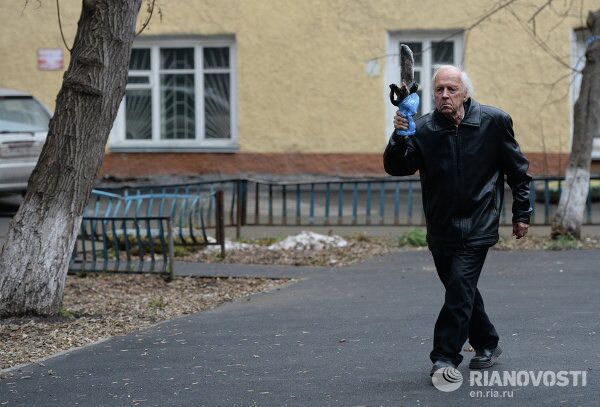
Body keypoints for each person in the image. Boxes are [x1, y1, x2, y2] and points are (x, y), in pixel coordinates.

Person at [383, 65, 532, 378]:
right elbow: (398, 168)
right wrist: (399, 136)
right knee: (461, 291)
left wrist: (522, 213)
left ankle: (445, 357)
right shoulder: (422, 128)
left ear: (465, 92)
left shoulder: (493, 122)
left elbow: (518, 172)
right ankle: (488, 342)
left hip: (480, 222)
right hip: (441, 226)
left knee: (459, 289)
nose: (445, 95)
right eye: (439, 90)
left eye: (452, 89)